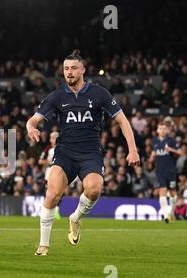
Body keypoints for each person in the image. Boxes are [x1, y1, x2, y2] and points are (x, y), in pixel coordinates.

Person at [26, 53, 140, 256]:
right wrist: (31, 127)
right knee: (52, 194)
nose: (69, 72)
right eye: (66, 68)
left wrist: (132, 149)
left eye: (73, 68)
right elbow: (33, 120)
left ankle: (76, 218)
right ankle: (43, 245)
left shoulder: (99, 93)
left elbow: (122, 121)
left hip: (90, 153)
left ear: (83, 70)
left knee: (94, 189)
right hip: (65, 153)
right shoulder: (57, 96)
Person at [149, 123, 182, 223]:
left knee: (172, 193)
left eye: (164, 129)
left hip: (171, 171)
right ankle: (165, 215)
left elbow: (180, 153)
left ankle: (171, 212)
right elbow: (151, 158)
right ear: (157, 130)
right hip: (160, 171)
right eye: (160, 128)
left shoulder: (171, 140)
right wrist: (152, 157)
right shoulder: (154, 141)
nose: (162, 130)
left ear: (167, 130)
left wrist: (171, 150)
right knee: (162, 191)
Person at [38, 131, 61, 220]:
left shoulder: (62, 148)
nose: (51, 140)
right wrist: (49, 161)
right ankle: (48, 209)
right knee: (48, 189)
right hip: (50, 170)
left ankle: (55, 208)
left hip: (60, 170)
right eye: (51, 138)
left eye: (53, 138)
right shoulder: (48, 149)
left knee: (59, 189)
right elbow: (40, 161)